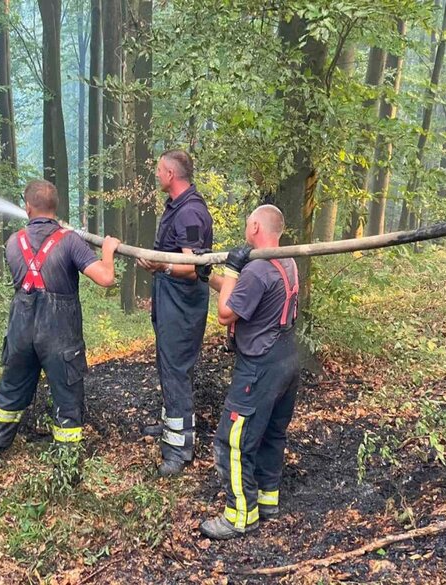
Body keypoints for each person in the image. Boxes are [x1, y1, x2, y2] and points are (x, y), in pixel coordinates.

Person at [0, 179, 121, 464]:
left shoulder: (12, 242)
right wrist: (108, 249)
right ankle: (67, 459)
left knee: (12, 386)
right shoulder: (70, 241)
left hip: (21, 328)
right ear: (56, 207)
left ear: (28, 206)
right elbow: (106, 279)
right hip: (59, 331)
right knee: (66, 393)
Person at [198, 205, 301, 540]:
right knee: (272, 431)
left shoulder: (257, 269)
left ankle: (240, 516)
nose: (246, 226)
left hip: (259, 366)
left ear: (255, 225)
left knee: (234, 441)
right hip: (286, 358)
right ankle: (267, 499)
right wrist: (211, 277)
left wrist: (231, 270)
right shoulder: (287, 261)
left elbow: (227, 314)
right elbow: (247, 298)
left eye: (247, 222)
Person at [137, 150, 213, 477]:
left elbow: (194, 268)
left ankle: (178, 450)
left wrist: (160, 265)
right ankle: (173, 425)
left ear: (170, 174)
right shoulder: (177, 207)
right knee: (169, 366)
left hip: (183, 302)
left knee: (176, 369)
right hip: (169, 297)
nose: (157, 175)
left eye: (159, 170)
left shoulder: (190, 213)